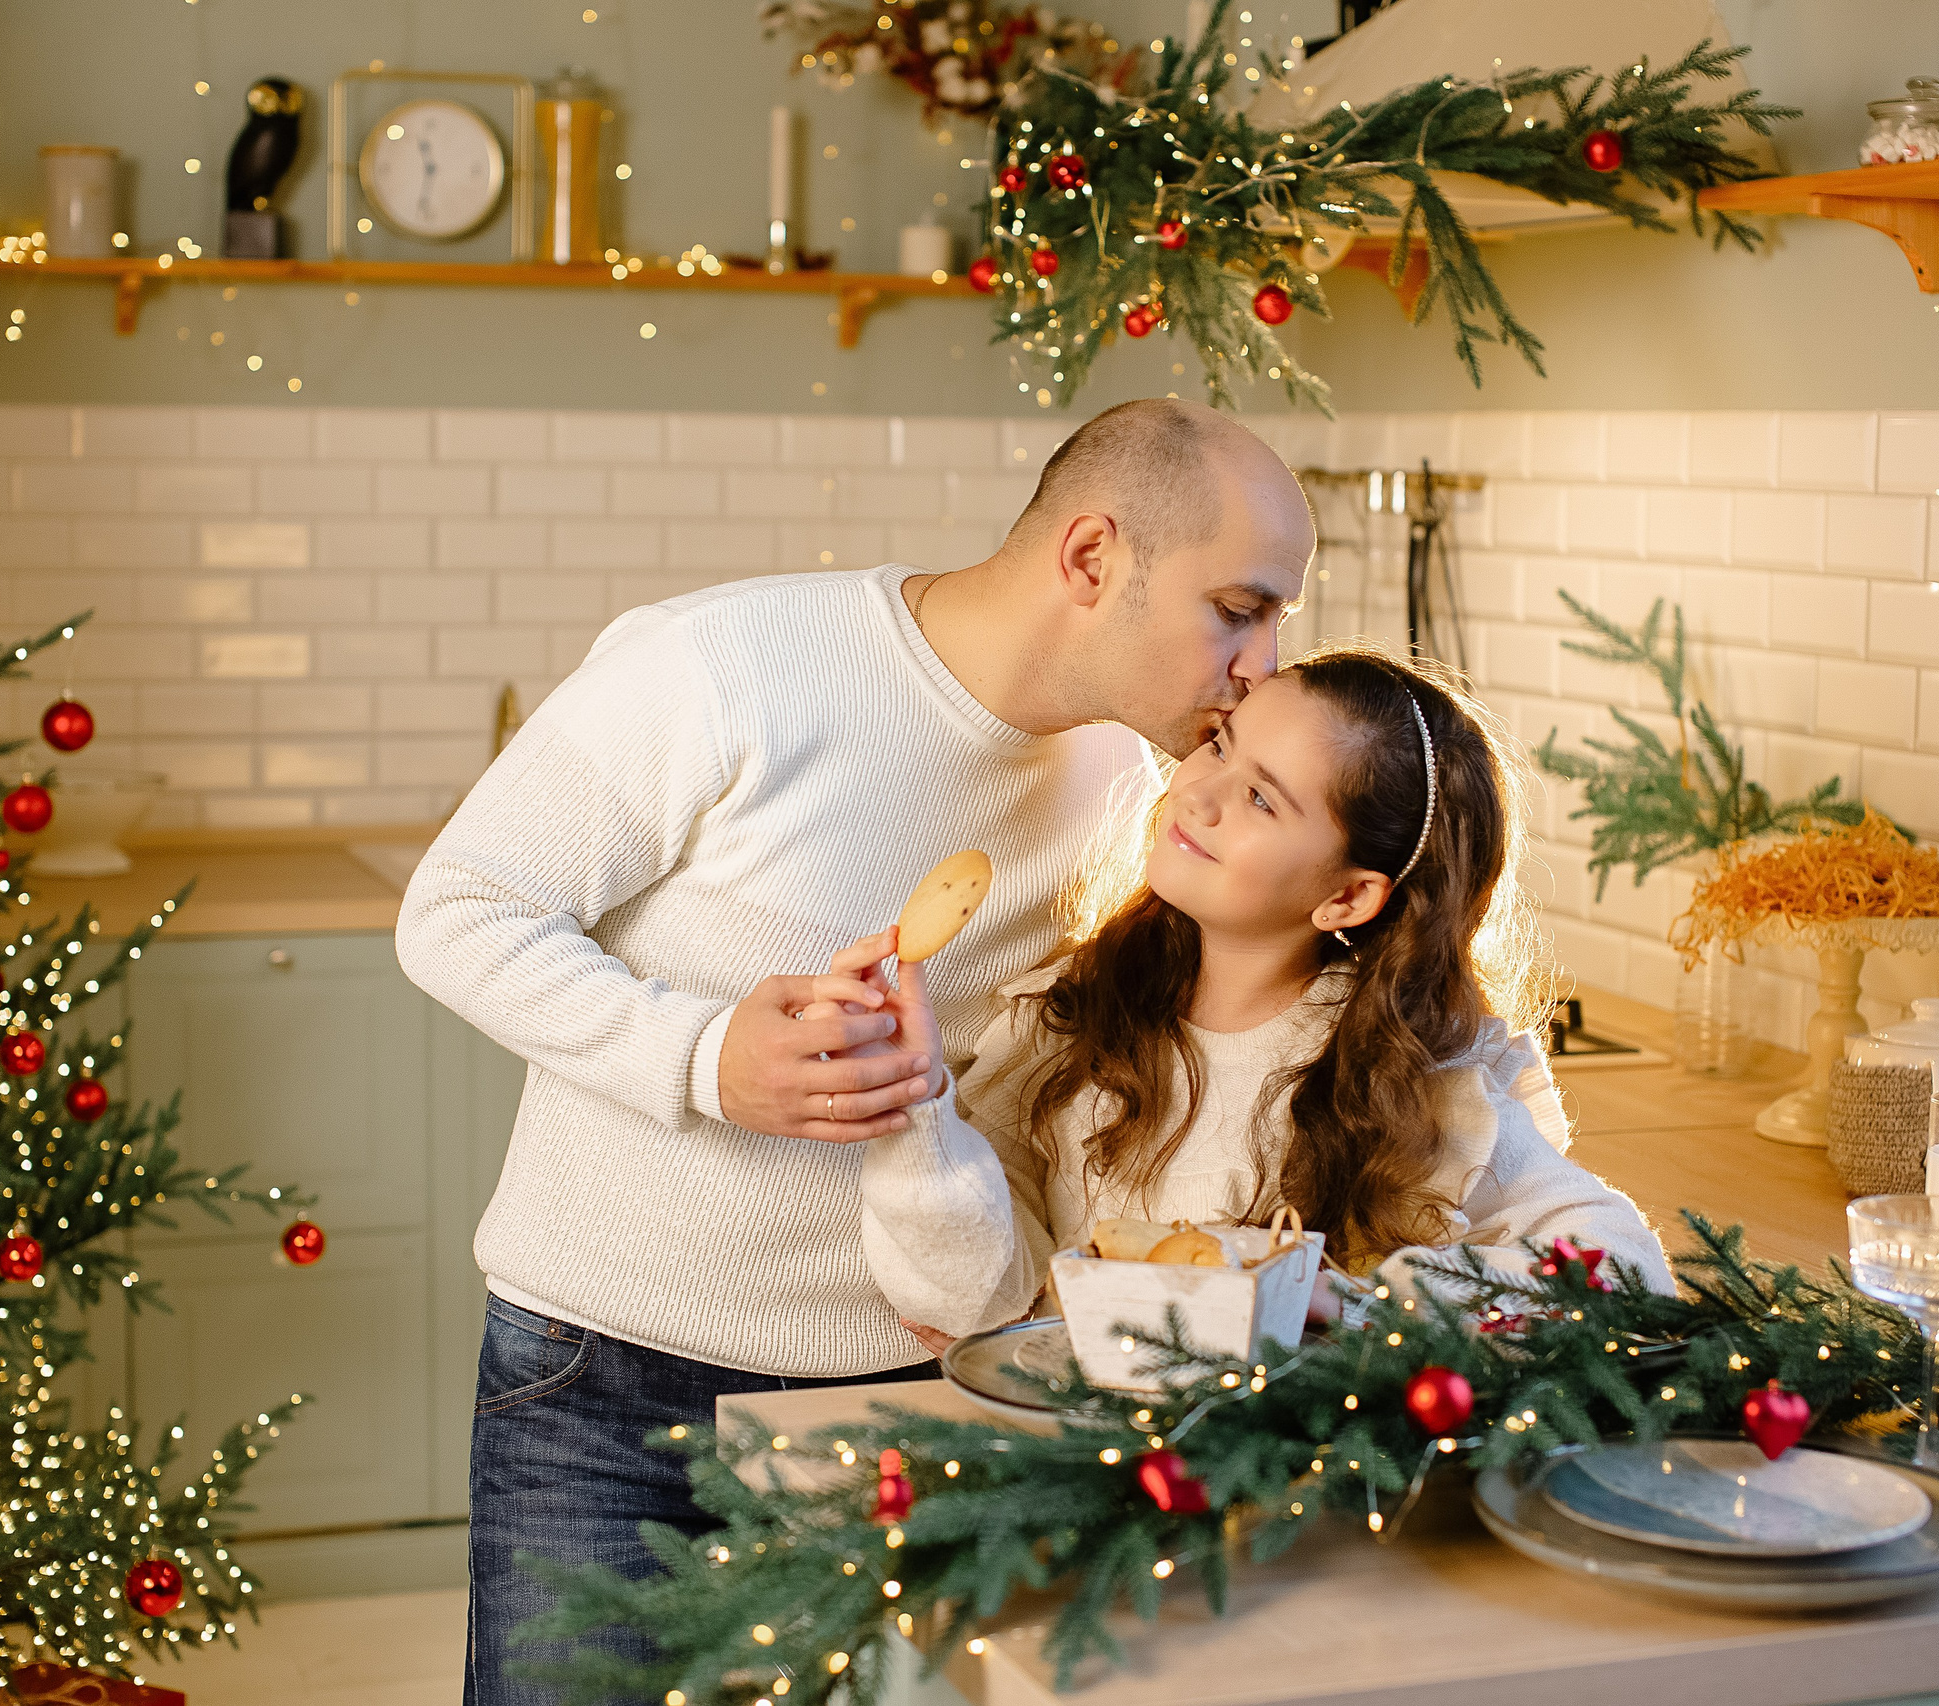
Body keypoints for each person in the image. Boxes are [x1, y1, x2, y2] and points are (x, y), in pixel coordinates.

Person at [394, 397, 1316, 1706]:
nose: (1263, 661)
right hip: (606, 1382)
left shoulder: (1139, 794)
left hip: (917, 1397)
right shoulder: (721, 663)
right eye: (1240, 607)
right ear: (1094, 556)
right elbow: (459, 910)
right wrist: (709, 1054)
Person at [843, 645, 1674, 1344]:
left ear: (1347, 898)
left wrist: (1346, 1304)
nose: (1195, 792)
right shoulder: (1071, 1016)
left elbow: (1622, 1270)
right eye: (1219, 746)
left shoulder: (1417, 1079)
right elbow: (970, 1300)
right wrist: (915, 1103)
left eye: (1259, 797)